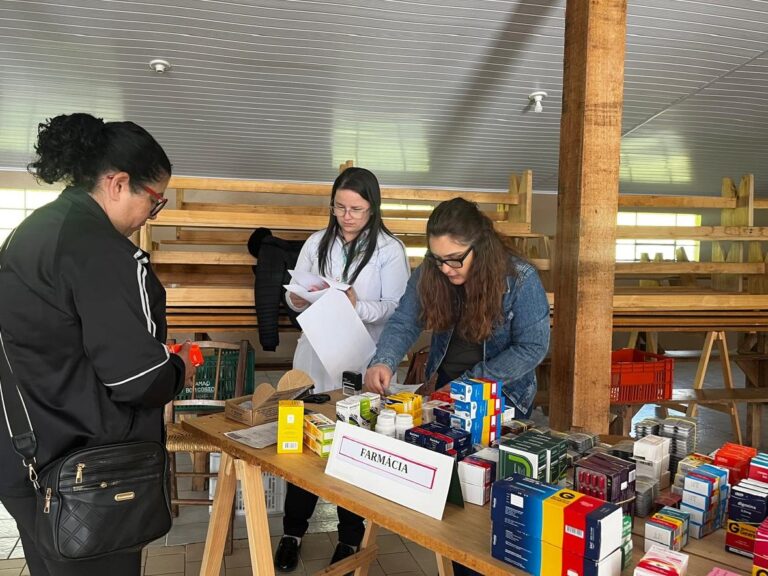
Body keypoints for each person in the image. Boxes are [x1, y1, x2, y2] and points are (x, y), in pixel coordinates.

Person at [0, 113, 195, 576]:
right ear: (118, 183)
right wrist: (178, 367)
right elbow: (139, 379)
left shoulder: (31, 233)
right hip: (86, 474)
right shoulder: (104, 252)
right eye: (155, 201)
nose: (152, 213)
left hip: (24, 451)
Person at [364, 197, 550, 576]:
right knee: (452, 501)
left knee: (483, 503)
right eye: (437, 258)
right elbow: (403, 322)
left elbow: (533, 348)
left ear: (479, 246)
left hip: (502, 399)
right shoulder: (432, 272)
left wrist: (474, 381)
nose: (445, 268)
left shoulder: (521, 279)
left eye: (454, 259)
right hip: (445, 395)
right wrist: (383, 359)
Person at [275, 167, 409, 572]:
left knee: (355, 446)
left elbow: (398, 307)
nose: (347, 216)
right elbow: (296, 293)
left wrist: (356, 305)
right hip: (315, 350)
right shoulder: (318, 242)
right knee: (300, 444)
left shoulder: (389, 249)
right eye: (340, 208)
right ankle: (292, 532)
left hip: (361, 355)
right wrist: (297, 302)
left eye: (356, 209)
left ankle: (350, 539)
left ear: (373, 208)